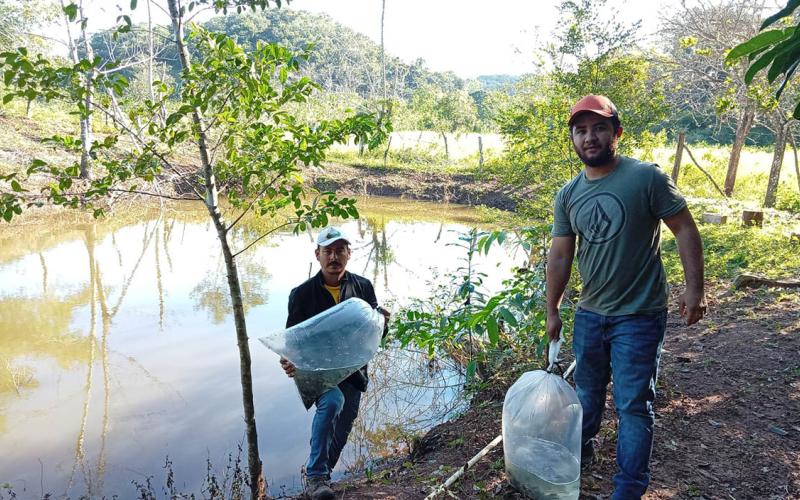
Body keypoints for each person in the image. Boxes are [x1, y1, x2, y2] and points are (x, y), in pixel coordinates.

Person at [545, 95, 705, 499]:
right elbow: (561, 255)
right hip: (589, 315)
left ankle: (628, 490)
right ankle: (575, 465)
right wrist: (553, 309)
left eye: (598, 128)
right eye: (580, 130)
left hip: (639, 314)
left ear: (616, 132)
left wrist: (694, 289)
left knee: (633, 406)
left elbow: (684, 229)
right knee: (586, 399)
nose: (589, 137)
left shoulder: (645, 178)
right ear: (574, 139)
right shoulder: (568, 193)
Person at [280, 226, 390, 500]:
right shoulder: (302, 294)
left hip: (353, 371)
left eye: (339, 250)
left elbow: (374, 336)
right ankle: (316, 476)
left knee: (342, 430)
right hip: (317, 371)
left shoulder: (363, 286)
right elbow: (292, 341)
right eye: (327, 251)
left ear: (349, 254)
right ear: (317, 254)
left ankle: (319, 482)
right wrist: (289, 361)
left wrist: (384, 323)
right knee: (332, 403)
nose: (333, 257)